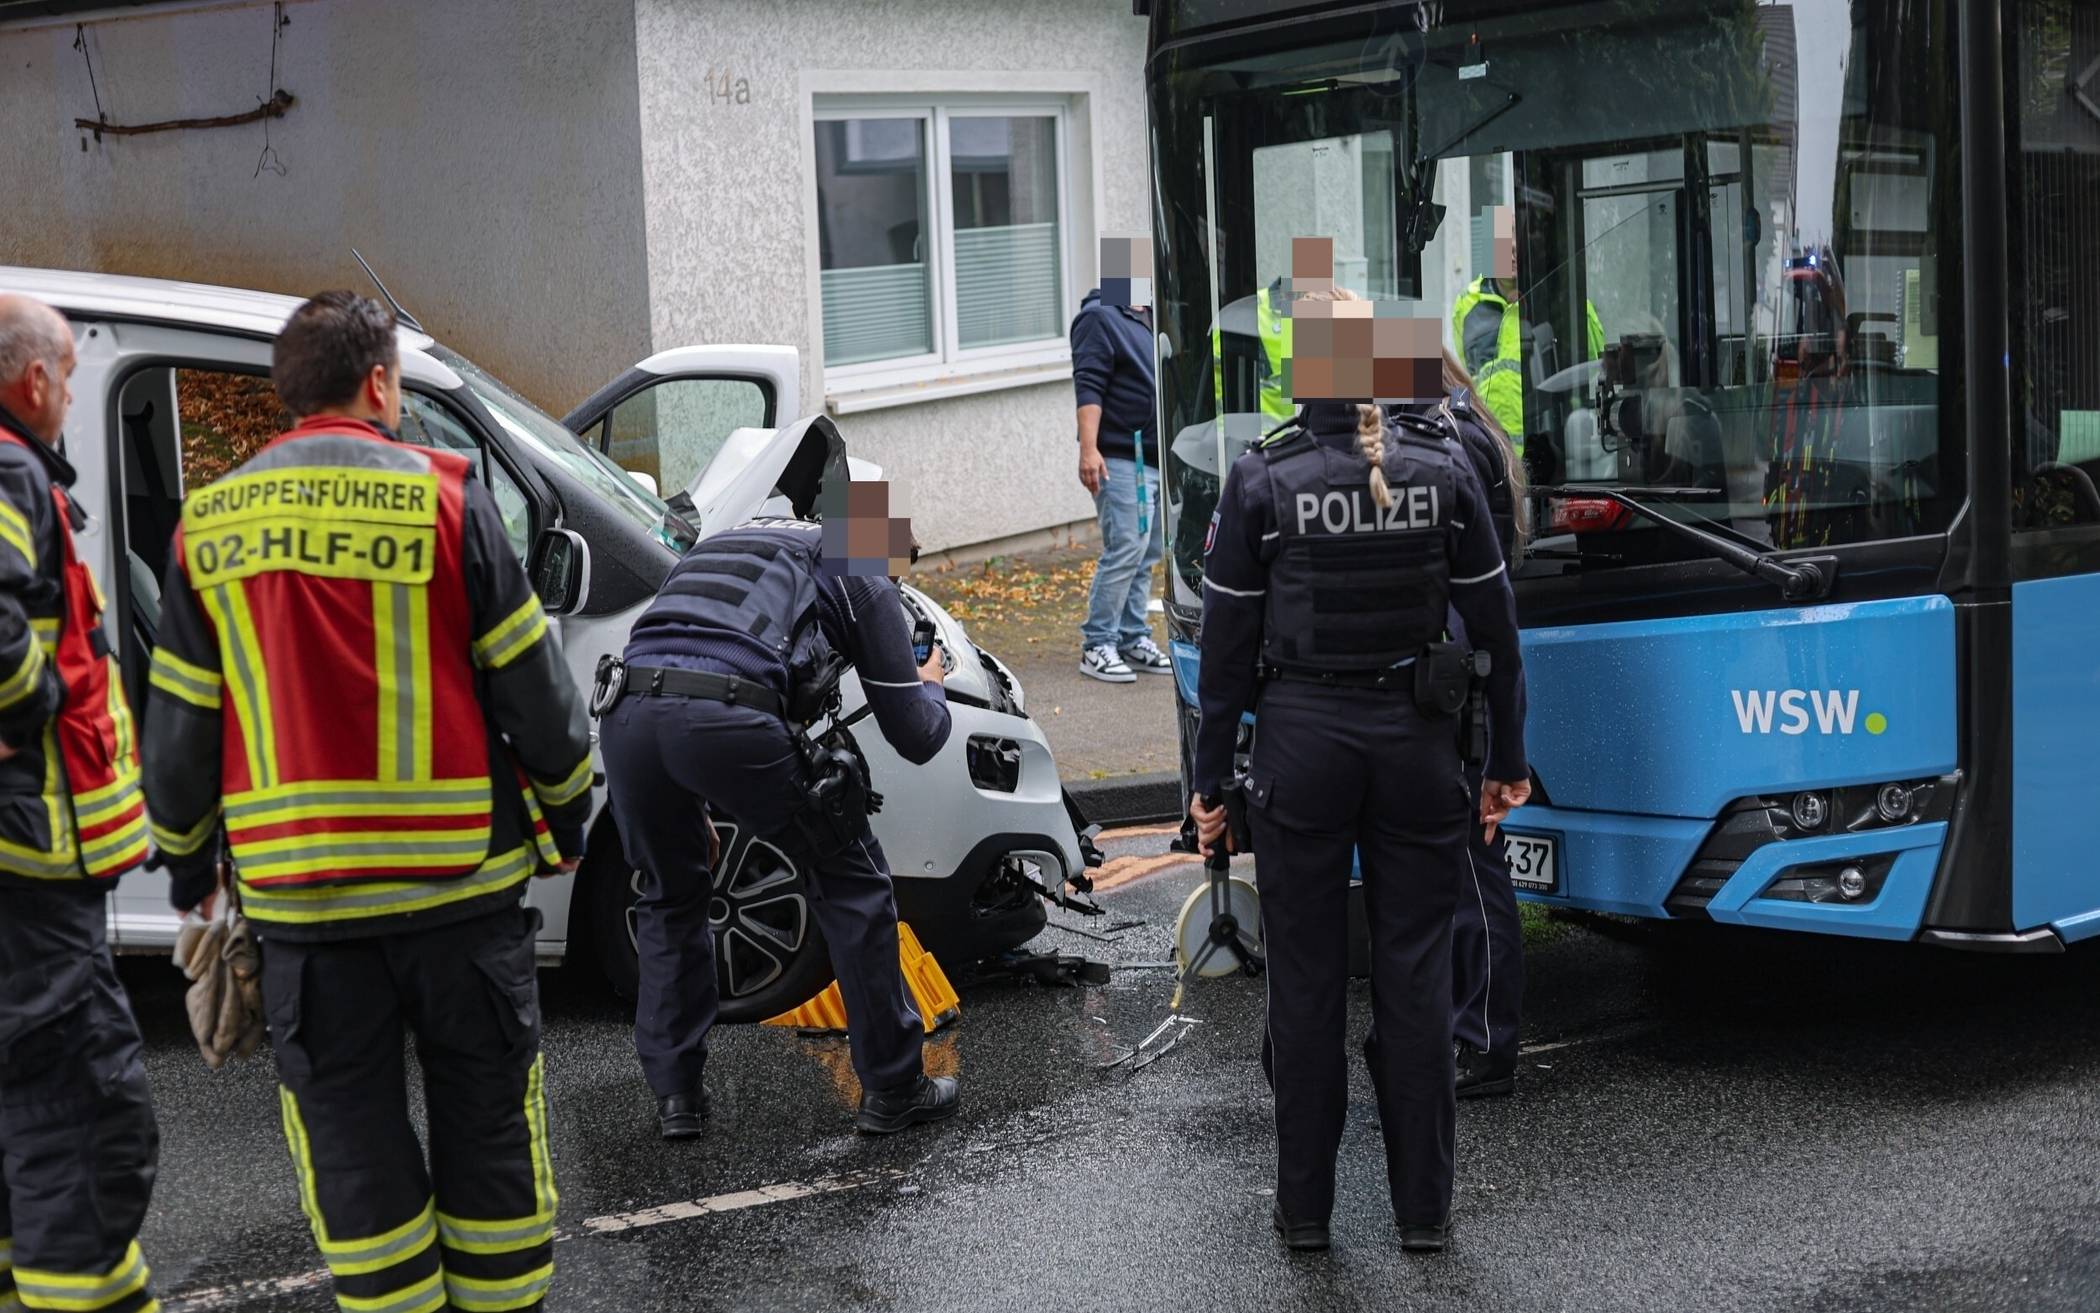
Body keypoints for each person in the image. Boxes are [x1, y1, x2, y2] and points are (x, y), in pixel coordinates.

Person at [141, 291, 592, 1313]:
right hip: (461, 894)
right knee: (488, 1127)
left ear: (286, 393)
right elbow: (538, 693)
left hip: (306, 914)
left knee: (349, 1143)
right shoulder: (448, 494)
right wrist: (568, 815)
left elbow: (179, 733)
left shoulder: (210, 524)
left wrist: (185, 865)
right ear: (380, 381)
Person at [1189, 386, 1530, 1254]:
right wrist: (1506, 763)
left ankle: (1305, 1213)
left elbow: (1226, 652)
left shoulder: (1262, 478)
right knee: (1417, 981)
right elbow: (1498, 630)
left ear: (1302, 383)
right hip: (1417, 749)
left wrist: (1211, 782)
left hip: (1301, 754)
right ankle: (1423, 1215)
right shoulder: (1444, 470)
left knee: (1303, 988)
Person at [597, 494, 960, 1139]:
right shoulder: (863, 568)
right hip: (726, 715)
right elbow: (918, 735)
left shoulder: (728, 544)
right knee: (852, 880)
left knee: (670, 896)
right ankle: (894, 1085)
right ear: (888, 549)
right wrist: (928, 677)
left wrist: (693, 801)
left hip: (627, 713)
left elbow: (687, 651)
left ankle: (677, 1097)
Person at [0, 294, 161, 1313]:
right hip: (28, 855)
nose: (66, 393)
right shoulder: (9, 467)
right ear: (33, 383)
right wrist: (40, 697)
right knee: (84, 1109)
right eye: (64, 374)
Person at [1394, 349, 1528, 1100]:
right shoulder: (1463, 427)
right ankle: (1467, 1030)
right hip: (1456, 678)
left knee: (1472, 871)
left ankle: (1484, 1041)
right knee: (1460, 870)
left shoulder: (1448, 443)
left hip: (1454, 683)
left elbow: (1474, 587)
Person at [1071, 282, 1170, 683]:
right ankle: (1097, 644)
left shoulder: (1144, 318)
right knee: (1126, 547)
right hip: (1120, 457)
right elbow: (1089, 384)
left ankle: (1132, 637)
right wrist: (1088, 448)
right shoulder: (1099, 317)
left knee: (1148, 550)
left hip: (1153, 456)